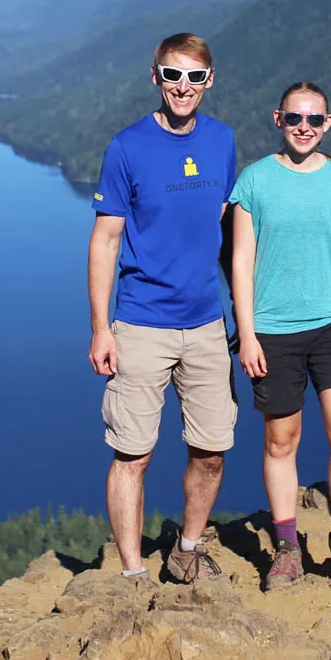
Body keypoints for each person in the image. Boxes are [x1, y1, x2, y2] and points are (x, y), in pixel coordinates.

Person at [88, 32, 237, 583]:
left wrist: (241, 319)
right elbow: (105, 241)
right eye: (172, 75)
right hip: (141, 323)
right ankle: (132, 574)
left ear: (209, 81)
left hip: (205, 324)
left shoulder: (222, 141)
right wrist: (101, 329)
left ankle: (186, 550)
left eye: (194, 77)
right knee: (133, 455)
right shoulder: (126, 147)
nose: (183, 87)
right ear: (155, 77)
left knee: (213, 450)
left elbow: (227, 235)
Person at [230, 81, 331, 589]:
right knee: (280, 441)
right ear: (278, 119)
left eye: (315, 120)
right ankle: (287, 546)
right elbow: (241, 261)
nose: (304, 128)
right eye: (295, 119)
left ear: (328, 123)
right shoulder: (254, 180)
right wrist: (246, 334)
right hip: (272, 329)